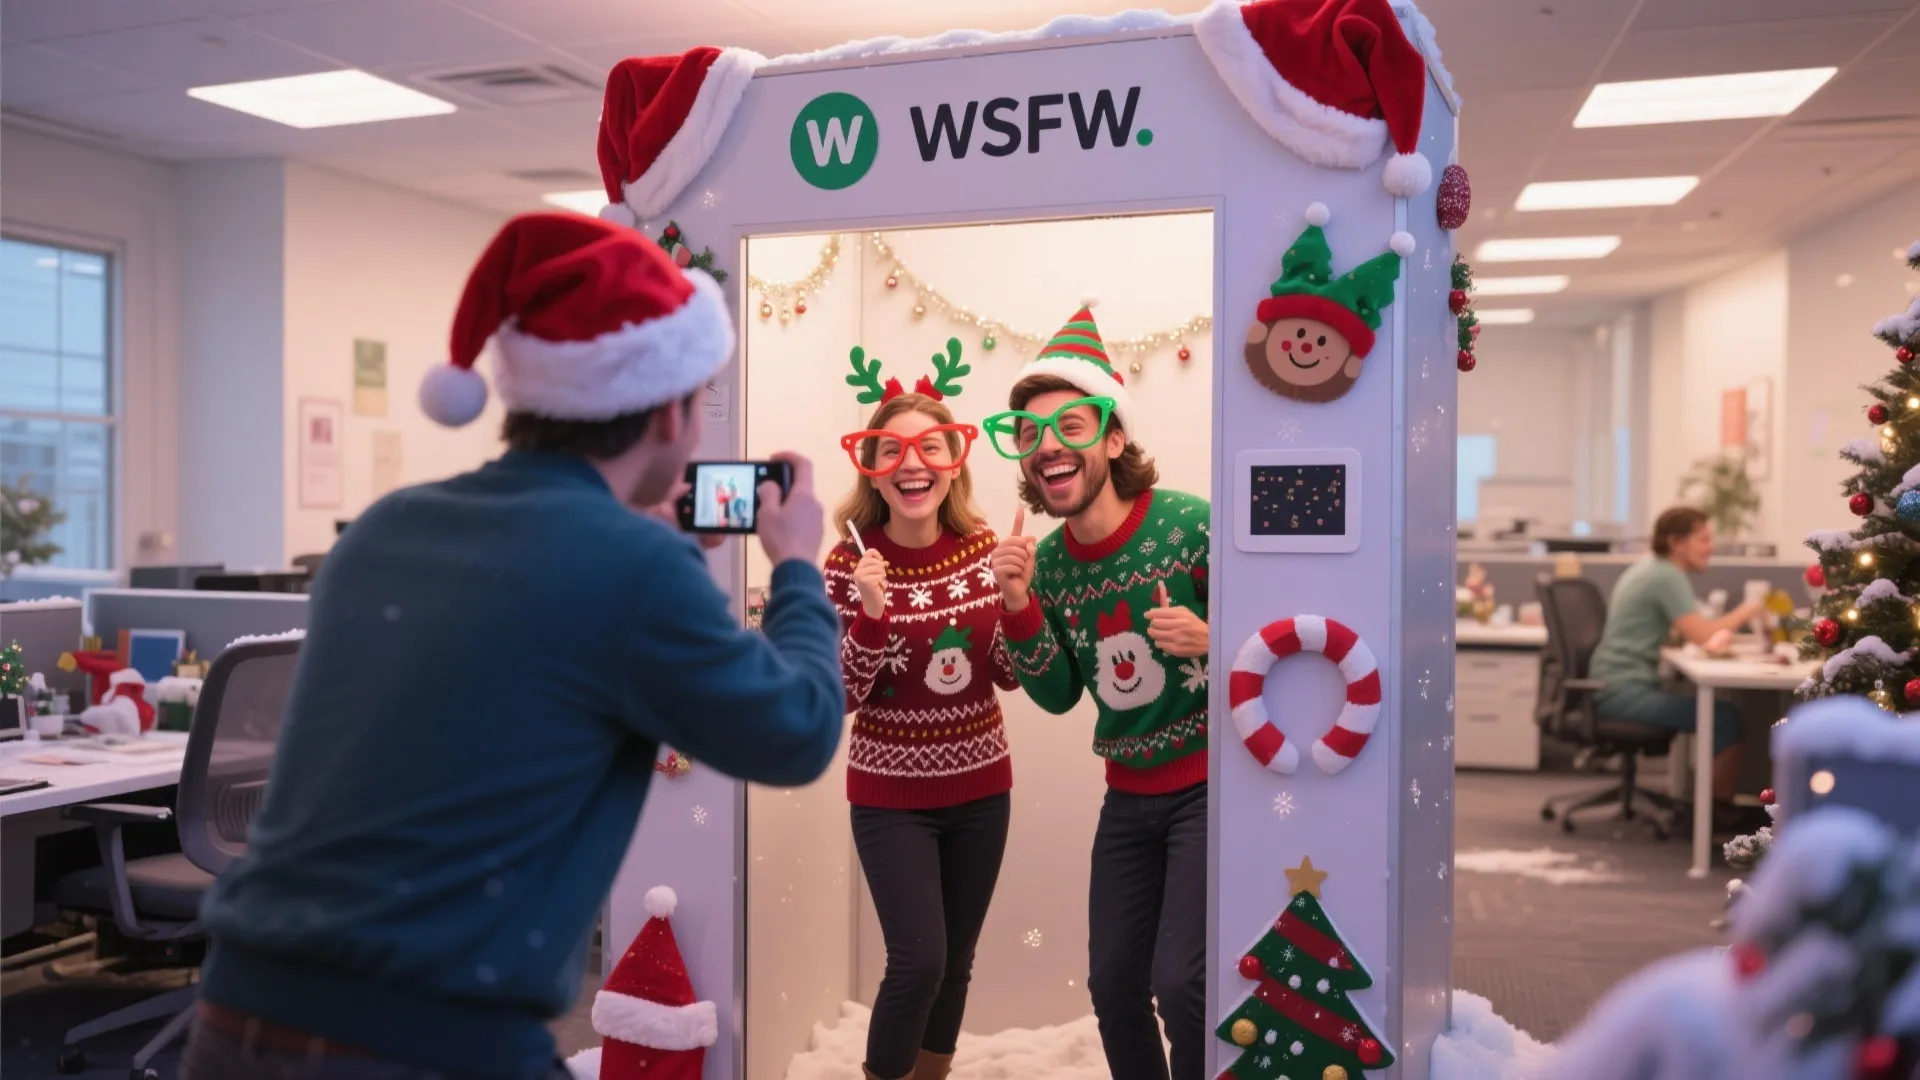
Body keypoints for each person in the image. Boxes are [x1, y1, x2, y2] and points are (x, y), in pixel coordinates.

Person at [184, 213, 844, 1080]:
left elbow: (528, 643)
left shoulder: (383, 529)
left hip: (238, 1013)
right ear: (670, 411)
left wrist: (648, 554)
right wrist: (797, 565)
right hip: (427, 1038)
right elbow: (797, 731)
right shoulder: (632, 567)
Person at [985, 306, 1211, 1080]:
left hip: (1210, 787)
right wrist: (1017, 605)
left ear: (1113, 440)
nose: (1049, 446)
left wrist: (1214, 636)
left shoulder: (1190, 526)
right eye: (1030, 435)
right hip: (1127, 795)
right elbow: (1056, 694)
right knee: (1115, 986)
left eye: (1071, 426)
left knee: (1182, 984)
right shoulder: (1046, 564)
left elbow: (1277, 639)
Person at [823, 350, 1016, 1080]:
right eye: (892, 450)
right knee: (919, 961)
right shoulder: (846, 564)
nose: (913, 464)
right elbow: (841, 696)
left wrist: (1017, 600)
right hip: (889, 796)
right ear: (873, 468)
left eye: (929, 447)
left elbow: (1006, 677)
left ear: (952, 463)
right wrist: (871, 616)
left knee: (955, 963)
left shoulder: (980, 550)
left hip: (980, 788)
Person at [1588, 506, 1766, 810]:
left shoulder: (1652, 568)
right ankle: (1717, 818)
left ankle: (1702, 806)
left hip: (1611, 682)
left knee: (1712, 707)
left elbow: (1680, 632)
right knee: (1726, 719)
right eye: (1704, 540)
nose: (1711, 549)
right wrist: (1747, 611)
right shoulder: (1665, 575)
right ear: (1676, 542)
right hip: (1623, 690)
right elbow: (1702, 636)